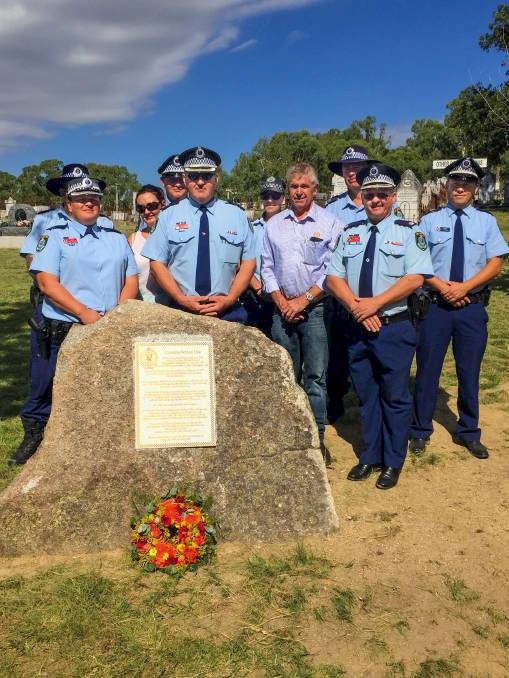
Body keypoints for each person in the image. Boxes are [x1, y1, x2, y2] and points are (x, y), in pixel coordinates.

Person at [9, 176, 138, 465]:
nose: (89, 202)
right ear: (69, 204)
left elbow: (131, 277)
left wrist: (120, 312)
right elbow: (46, 283)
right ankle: (34, 434)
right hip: (64, 327)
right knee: (43, 384)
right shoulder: (52, 235)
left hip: (109, 325)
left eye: (93, 197)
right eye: (81, 198)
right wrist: (84, 314)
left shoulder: (115, 238)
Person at [326, 162, 433, 489]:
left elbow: (415, 277)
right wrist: (358, 307)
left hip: (394, 327)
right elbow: (333, 277)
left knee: (395, 395)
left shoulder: (409, 232)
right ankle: (370, 456)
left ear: (392, 197)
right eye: (370, 194)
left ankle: (392, 460)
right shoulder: (350, 232)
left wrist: (374, 304)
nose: (375, 200)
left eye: (382, 194)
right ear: (363, 195)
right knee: (367, 395)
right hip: (358, 327)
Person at [409, 157, 509, 459]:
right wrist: (445, 288)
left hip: (471, 308)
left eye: (467, 182)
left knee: (469, 371)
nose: (461, 186)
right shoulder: (428, 222)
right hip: (435, 307)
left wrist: (464, 288)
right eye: (455, 180)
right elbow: (418, 262)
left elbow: (495, 262)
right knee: (427, 369)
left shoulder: (487, 223)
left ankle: (468, 431)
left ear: (476, 188)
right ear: (447, 184)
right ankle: (420, 430)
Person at [261, 162, 343, 460]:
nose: (298, 192)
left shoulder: (331, 223)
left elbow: (333, 270)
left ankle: (316, 440)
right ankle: (288, 438)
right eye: (293, 186)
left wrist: (303, 300)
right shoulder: (274, 225)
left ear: (314, 190)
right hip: (281, 311)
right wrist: (282, 302)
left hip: (316, 310)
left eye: (304, 186)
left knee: (316, 379)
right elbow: (267, 268)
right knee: (286, 377)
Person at [142, 146, 255, 323]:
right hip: (180, 311)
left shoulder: (237, 215)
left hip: (228, 312)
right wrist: (181, 298)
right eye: (194, 176)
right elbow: (156, 263)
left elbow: (249, 262)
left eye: (206, 175)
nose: (200, 182)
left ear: (216, 178)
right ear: (186, 179)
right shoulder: (167, 216)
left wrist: (230, 298)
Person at [325, 146, 372, 423]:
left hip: (374, 297)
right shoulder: (331, 209)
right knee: (336, 355)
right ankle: (336, 401)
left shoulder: (382, 203)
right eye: (346, 167)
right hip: (340, 297)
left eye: (357, 167)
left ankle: (371, 404)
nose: (352, 172)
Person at [243, 176, 285, 334]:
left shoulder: (291, 226)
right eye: (265, 196)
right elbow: (242, 259)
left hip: (283, 297)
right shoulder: (251, 228)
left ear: (283, 198)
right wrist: (257, 287)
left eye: (275, 196)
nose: (270, 200)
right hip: (255, 294)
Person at [129, 184, 165, 302]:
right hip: (140, 304)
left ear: (162, 204)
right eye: (141, 208)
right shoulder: (133, 239)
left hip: (172, 304)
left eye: (152, 206)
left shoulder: (174, 237)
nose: (147, 211)